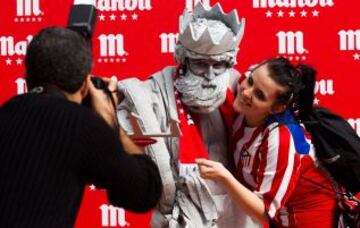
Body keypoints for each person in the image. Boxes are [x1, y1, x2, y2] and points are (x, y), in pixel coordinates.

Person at [116, 2, 260, 227]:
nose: (210, 76)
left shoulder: (241, 89)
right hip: (186, 211)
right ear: (183, 60)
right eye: (201, 64)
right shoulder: (153, 94)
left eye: (219, 65)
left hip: (236, 208)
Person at [0, 27, 162, 227]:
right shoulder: (79, 125)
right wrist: (109, 119)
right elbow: (145, 192)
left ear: (27, 77)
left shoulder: (6, 112)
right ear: (85, 86)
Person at [196, 57, 337, 227]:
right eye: (250, 81)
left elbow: (264, 213)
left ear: (276, 108)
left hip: (306, 221)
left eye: (260, 95)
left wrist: (224, 176)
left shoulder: (281, 139)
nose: (246, 92)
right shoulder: (246, 104)